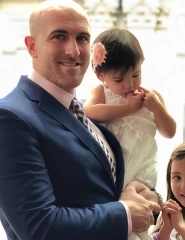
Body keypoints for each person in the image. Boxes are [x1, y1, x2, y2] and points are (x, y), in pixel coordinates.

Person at [0, 1, 160, 240]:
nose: (73, 50)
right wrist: (125, 213)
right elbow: (38, 227)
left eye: (83, 38)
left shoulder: (91, 112)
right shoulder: (11, 117)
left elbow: (111, 189)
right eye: (59, 36)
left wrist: (149, 198)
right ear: (32, 46)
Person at [83, 28, 176, 190]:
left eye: (135, 75)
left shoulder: (151, 98)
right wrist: (128, 108)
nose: (130, 84)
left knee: (141, 203)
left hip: (141, 171)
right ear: (101, 76)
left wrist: (157, 109)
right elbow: (89, 111)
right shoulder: (102, 92)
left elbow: (169, 132)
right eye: (119, 79)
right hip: (111, 165)